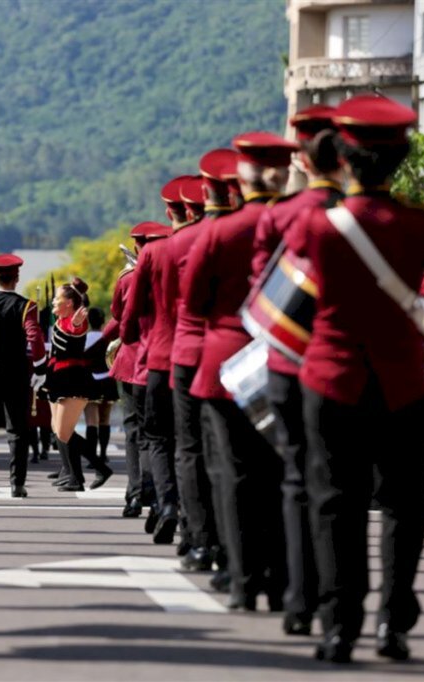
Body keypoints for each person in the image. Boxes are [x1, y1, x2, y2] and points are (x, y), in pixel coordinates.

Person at [285, 95, 424, 663]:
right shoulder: (422, 223)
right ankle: (394, 620)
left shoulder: (316, 225)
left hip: (329, 378)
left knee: (334, 502)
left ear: (342, 157)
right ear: (402, 160)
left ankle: (339, 625)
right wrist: (415, 305)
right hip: (403, 382)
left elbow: (288, 309)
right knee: (403, 504)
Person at [185, 132, 294, 615]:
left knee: (233, 475)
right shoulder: (299, 223)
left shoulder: (218, 231)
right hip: (287, 358)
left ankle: (243, 578)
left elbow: (194, 301)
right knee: (284, 473)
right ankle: (282, 578)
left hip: (226, 362)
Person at [249, 105, 345, 636]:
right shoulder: (377, 213)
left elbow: (261, 290)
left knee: (295, 478)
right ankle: (341, 608)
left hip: (287, 360)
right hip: (351, 364)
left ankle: (298, 599)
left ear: (302, 160)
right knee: (341, 484)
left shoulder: (281, 216)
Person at [165, 156, 240, 574]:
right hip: (243, 353)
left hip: (188, 351)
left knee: (190, 448)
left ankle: (199, 537)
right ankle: (233, 543)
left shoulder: (175, 244)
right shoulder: (255, 229)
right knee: (232, 454)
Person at [121, 177, 197, 544]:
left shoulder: (152, 254)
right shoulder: (211, 239)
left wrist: (130, 338)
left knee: (157, 439)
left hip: (161, 357)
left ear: (171, 212)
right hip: (207, 358)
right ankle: (198, 524)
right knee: (194, 443)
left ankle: (165, 505)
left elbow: (130, 317)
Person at [108, 222, 171, 518]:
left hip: (134, 359)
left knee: (134, 430)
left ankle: (135, 494)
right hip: (167, 358)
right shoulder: (176, 270)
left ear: (136, 247)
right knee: (160, 432)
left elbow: (121, 318)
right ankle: (159, 493)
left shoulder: (128, 278)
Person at [0, 254, 46, 499]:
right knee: (17, 428)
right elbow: (35, 338)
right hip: (15, 369)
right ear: (17, 277)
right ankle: (17, 484)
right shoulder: (27, 306)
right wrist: (40, 367)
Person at [46, 278, 114, 492]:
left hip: (73, 379)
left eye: (58, 298)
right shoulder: (60, 320)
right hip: (58, 378)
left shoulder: (77, 321)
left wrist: (77, 320)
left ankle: (101, 468)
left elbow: (76, 327)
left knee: (64, 432)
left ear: (69, 303)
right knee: (58, 430)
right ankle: (75, 476)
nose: (54, 301)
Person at [83, 307, 117, 466]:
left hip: (90, 382)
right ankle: (103, 454)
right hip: (108, 381)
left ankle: (92, 456)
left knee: (91, 420)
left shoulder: (83, 338)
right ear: (103, 320)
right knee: (105, 419)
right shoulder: (109, 340)